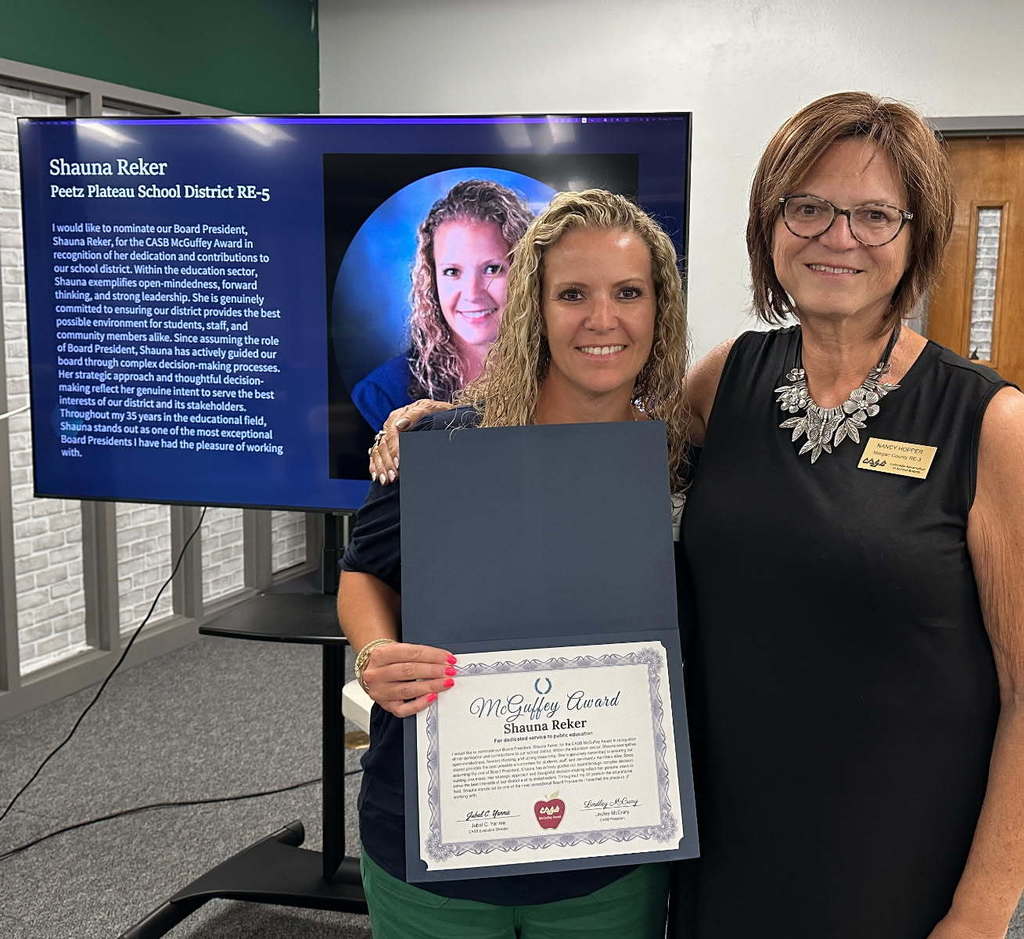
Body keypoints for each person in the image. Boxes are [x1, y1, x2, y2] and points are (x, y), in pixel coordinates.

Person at [370, 93, 1024, 939]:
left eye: (874, 214)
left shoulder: (989, 424)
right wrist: (451, 425)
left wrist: (980, 914)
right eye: (809, 207)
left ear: (916, 234)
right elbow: (585, 453)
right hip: (725, 827)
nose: (839, 235)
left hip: (894, 834)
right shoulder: (730, 379)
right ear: (771, 224)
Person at [338, 188, 690, 938]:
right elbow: (363, 570)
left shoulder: (681, 464)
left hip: (608, 852)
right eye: (572, 293)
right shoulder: (447, 445)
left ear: (659, 309)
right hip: (432, 838)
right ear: (533, 304)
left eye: (629, 292)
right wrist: (373, 651)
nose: (603, 318)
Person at [351, 178, 533, 430]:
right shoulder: (380, 395)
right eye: (452, 271)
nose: (472, 293)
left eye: (492, 269)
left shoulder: (568, 376)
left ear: (527, 272)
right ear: (431, 279)